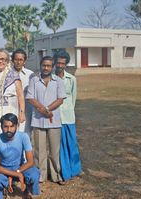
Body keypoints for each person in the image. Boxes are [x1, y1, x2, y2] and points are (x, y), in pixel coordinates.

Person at [26, 56, 66, 184]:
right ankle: (40, 175)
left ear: (52, 67)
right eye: (44, 65)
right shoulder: (34, 80)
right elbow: (30, 98)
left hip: (54, 120)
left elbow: (60, 99)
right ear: (40, 65)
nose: (46, 68)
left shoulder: (58, 81)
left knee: (55, 150)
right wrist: (42, 110)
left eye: (49, 66)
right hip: (38, 120)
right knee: (39, 150)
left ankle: (56, 175)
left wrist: (47, 109)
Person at [0, 113, 40, 199]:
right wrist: (15, 175)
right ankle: (2, 193)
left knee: (34, 173)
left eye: (11, 126)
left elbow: (30, 162)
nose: (9, 130)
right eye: (6, 126)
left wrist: (17, 173)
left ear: (16, 126)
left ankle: (28, 190)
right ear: (1, 127)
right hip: (3, 170)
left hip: (20, 168)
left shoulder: (23, 137)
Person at [54, 50, 82, 181]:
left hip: (68, 116)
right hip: (54, 117)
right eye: (58, 63)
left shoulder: (72, 79)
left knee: (71, 143)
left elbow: (73, 97)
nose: (60, 65)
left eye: (62, 63)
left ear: (66, 64)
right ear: (55, 63)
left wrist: (69, 110)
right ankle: (64, 172)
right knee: (60, 146)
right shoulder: (50, 78)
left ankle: (75, 169)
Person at [11, 48, 34, 138]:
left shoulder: (30, 75)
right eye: (16, 59)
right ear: (12, 60)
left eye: (21, 60)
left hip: (26, 112)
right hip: (11, 109)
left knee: (25, 136)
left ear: (24, 61)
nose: (18, 62)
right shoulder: (7, 73)